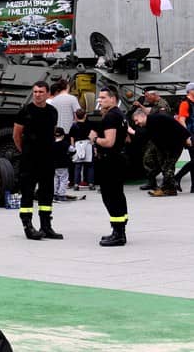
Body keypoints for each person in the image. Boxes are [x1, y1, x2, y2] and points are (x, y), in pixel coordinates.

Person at [13, 81, 62, 240]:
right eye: (35, 92)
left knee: (47, 192)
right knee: (27, 192)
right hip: (29, 159)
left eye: (41, 92)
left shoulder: (53, 112)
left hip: (47, 158)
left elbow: (52, 132)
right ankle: (28, 226)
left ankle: (46, 226)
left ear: (48, 94)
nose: (37, 95)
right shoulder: (25, 111)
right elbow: (16, 135)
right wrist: (26, 151)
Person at [89, 86, 130, 247]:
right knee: (117, 195)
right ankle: (119, 229)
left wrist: (94, 139)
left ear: (113, 99)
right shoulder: (120, 114)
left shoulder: (111, 117)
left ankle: (118, 233)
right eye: (99, 98)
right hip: (118, 159)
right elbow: (126, 138)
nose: (100, 101)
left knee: (110, 196)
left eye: (103, 98)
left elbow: (109, 142)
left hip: (110, 161)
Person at [129, 109, 192, 197]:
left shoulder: (158, 118)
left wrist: (187, 136)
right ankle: (169, 187)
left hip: (175, 145)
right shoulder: (147, 125)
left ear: (142, 116)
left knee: (168, 167)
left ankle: (166, 188)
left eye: (136, 120)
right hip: (164, 147)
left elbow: (176, 125)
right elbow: (143, 136)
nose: (136, 123)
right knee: (161, 165)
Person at [134, 89, 172, 191]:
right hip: (155, 137)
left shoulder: (162, 104)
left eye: (147, 96)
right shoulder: (156, 104)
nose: (146, 99)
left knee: (163, 161)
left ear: (154, 95)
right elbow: (150, 112)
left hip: (161, 137)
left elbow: (161, 119)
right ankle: (152, 182)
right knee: (148, 159)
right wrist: (140, 106)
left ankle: (167, 184)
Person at [173, 82, 194, 192]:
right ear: (190, 91)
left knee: (193, 160)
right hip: (191, 135)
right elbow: (182, 120)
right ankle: (177, 177)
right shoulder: (185, 103)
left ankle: (193, 187)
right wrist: (187, 136)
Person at [69, 109, 95, 191]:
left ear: (76, 116)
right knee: (90, 165)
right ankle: (91, 183)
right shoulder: (89, 125)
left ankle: (76, 184)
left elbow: (72, 137)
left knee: (78, 166)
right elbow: (92, 136)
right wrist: (93, 145)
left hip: (78, 144)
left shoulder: (74, 125)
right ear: (85, 115)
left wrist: (73, 146)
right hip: (88, 144)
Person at [52, 127, 74, 201]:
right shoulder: (65, 144)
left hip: (54, 165)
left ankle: (54, 193)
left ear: (54, 136)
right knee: (63, 179)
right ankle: (61, 195)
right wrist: (69, 154)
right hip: (63, 165)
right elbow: (73, 150)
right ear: (63, 135)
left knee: (55, 179)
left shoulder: (52, 144)